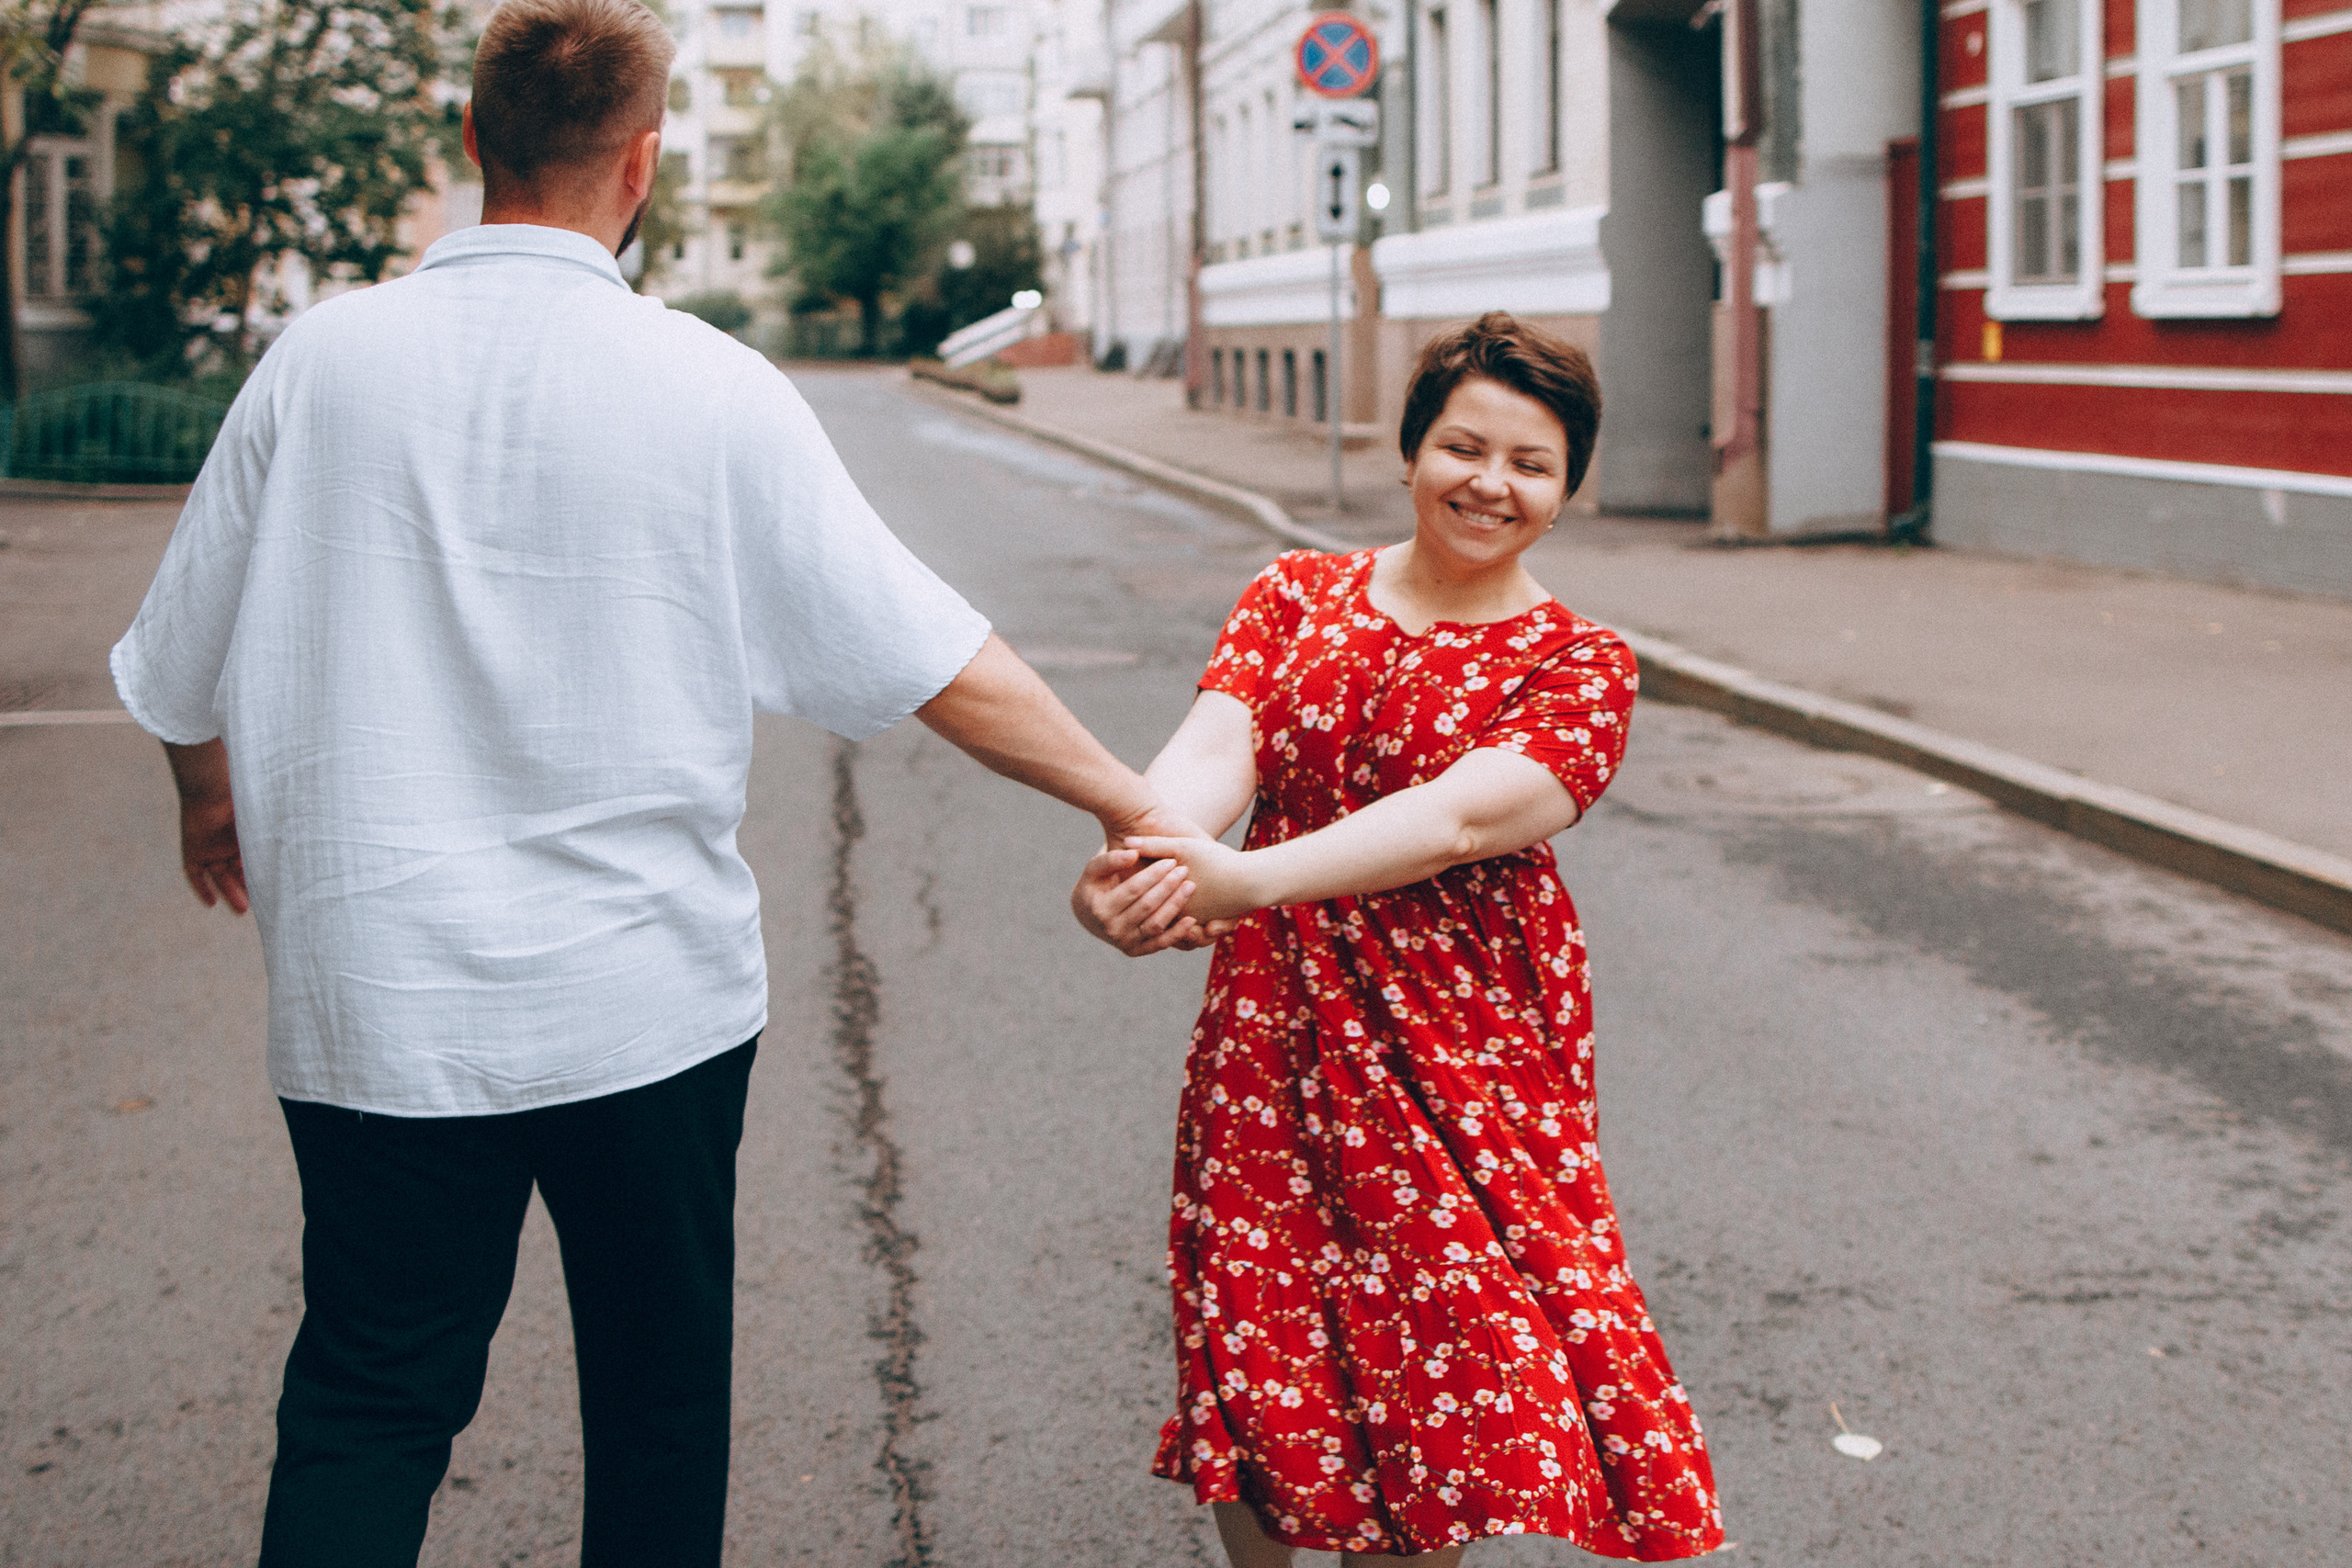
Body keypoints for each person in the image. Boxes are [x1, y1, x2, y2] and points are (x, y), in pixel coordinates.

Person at [110, 2, 1204, 1562]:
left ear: (474, 140)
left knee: (367, 1396)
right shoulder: (710, 386)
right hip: (644, 1008)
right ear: (643, 166)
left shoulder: (321, 365)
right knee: (658, 1398)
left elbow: (175, 656)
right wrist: (1129, 800)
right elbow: (929, 652)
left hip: (378, 1005)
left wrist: (206, 803)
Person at [1074, 313, 1724, 1563]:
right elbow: (1217, 750)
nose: (1491, 484)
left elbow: (1459, 817)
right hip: (1274, 1040)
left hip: (1466, 1053)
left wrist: (1244, 880)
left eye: (1531, 464)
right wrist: (1146, 863)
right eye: (1463, 447)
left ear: (1569, 486)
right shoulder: (1295, 593)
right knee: (1261, 1334)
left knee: (1443, 1367)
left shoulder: (1582, 663)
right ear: (1410, 449)